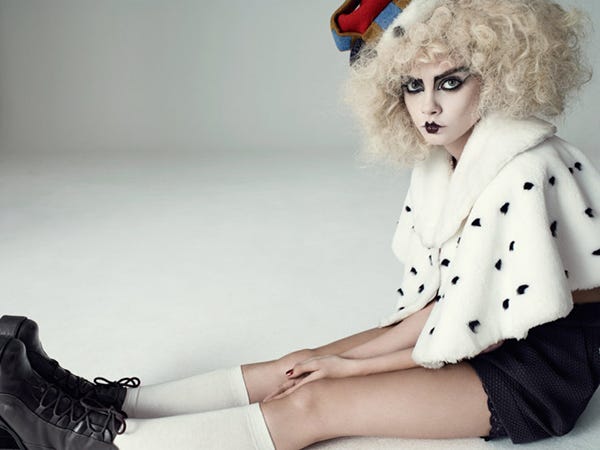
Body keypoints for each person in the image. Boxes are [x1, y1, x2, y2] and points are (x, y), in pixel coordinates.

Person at [1, 0, 599, 448]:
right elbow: (444, 307)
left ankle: (79, 442)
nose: (429, 106)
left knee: (312, 404)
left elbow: (485, 329)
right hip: (482, 335)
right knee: (295, 364)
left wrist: (349, 368)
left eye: (450, 81)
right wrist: (327, 357)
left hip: (539, 372)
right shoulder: (446, 161)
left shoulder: (528, 166)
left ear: (497, 74)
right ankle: (102, 405)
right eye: (412, 86)